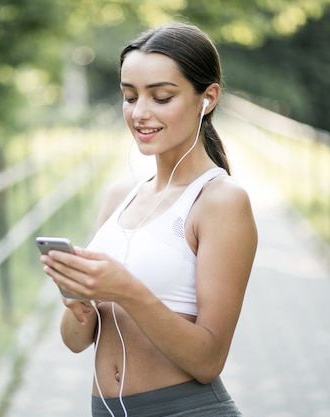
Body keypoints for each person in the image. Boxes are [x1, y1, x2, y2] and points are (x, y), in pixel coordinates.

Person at [40, 22, 258, 417]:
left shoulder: (221, 201)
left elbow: (208, 361)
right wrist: (81, 302)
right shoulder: (119, 195)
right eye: (129, 96)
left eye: (161, 97)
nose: (140, 113)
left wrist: (125, 289)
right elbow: (75, 342)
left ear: (206, 98)